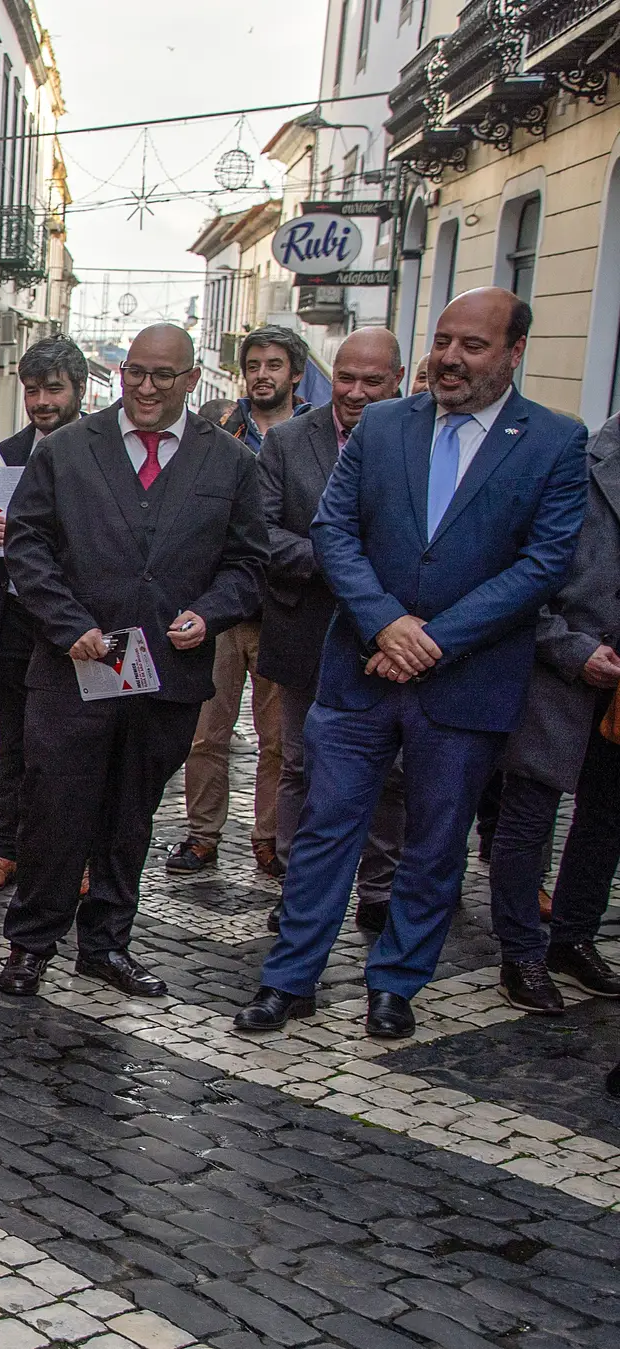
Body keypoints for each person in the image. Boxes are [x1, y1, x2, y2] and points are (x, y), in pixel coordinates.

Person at [236, 288, 588, 1040]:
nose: (452, 358)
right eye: (445, 340)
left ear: (515, 351)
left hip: (466, 682)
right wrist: (385, 623)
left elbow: (544, 563)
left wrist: (435, 639)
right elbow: (333, 530)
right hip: (360, 668)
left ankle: (396, 983)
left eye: (474, 345)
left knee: (434, 839)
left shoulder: (556, 441)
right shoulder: (386, 423)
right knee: (328, 828)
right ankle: (289, 978)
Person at [0, 323, 268, 998]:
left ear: (192, 379)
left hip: (165, 677)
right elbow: (27, 547)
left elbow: (249, 563)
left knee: (129, 816)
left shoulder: (229, 463)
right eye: (135, 373)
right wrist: (70, 625)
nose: (146, 387)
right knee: (56, 808)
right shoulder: (66, 451)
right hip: (74, 669)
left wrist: (209, 613)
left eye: (163, 376)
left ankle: (107, 944)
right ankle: (32, 943)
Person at [258, 328, 408, 938]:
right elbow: (261, 532)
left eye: (372, 381)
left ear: (396, 380)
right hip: (308, 631)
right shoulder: (290, 441)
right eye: (345, 378)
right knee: (299, 765)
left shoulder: (417, 441)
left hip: (393, 638)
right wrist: (337, 560)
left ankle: (379, 889)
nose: (356, 392)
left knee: (391, 773)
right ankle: (300, 888)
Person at [486, 411, 620, 1013]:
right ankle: (521, 953)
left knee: (607, 819)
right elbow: (516, 585)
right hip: (559, 676)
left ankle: (573, 938)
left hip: (619, 690)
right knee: (529, 818)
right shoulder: (575, 462)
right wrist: (574, 650)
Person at [170, 325, 307, 878]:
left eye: (274, 364)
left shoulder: (315, 435)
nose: (262, 374)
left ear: (295, 373)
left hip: (284, 609)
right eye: (254, 364)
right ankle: (202, 834)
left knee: (278, 739)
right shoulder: (217, 430)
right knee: (207, 730)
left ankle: (269, 837)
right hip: (222, 605)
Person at [0, 334, 88, 893]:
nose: (42, 402)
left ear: (79, 390)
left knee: (73, 747)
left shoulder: (100, 452)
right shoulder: (2, 454)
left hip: (74, 624)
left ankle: (74, 858)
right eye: (33, 390)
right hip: (12, 621)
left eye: (53, 390)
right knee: (13, 742)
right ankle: (6, 849)